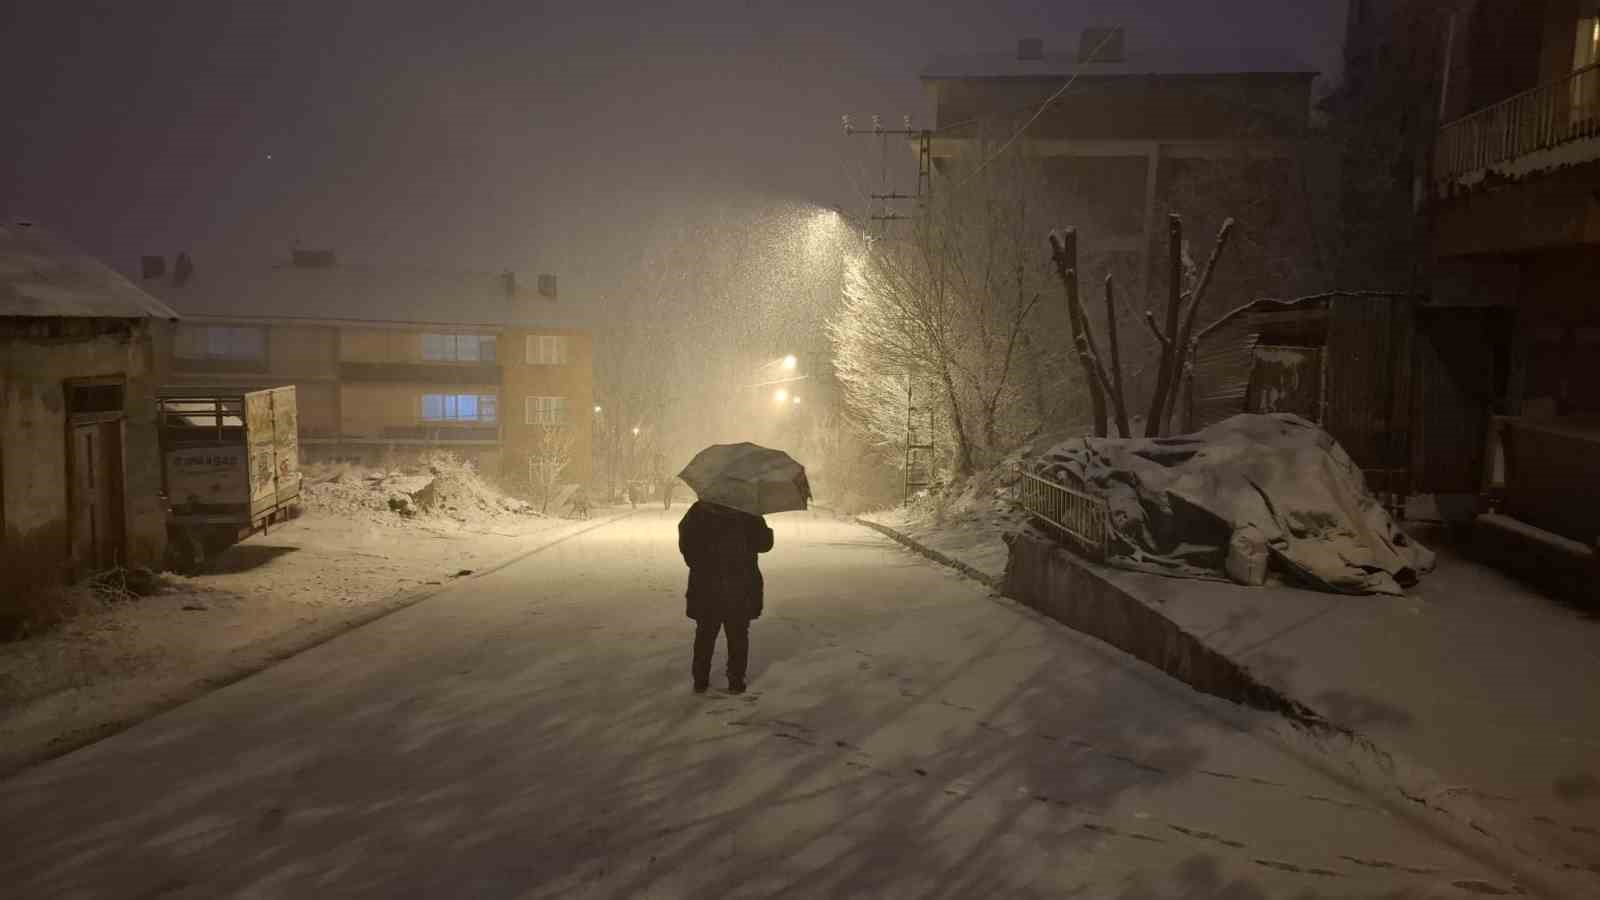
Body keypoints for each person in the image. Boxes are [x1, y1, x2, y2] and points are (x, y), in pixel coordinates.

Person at [677, 500, 773, 694]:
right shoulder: (748, 510)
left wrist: (698, 563)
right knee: (738, 634)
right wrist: (764, 528)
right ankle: (736, 681)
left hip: (706, 584)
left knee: (705, 633)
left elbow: (686, 542)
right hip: (740, 584)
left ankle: (700, 680)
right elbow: (764, 544)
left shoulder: (699, 510)